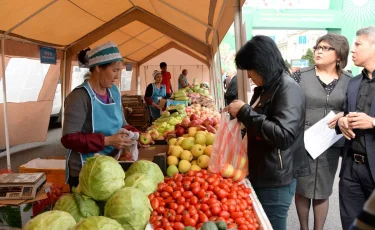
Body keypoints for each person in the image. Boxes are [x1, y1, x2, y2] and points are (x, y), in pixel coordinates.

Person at [225, 35, 310, 230]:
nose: (248, 75)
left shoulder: (288, 89)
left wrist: (245, 112)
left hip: (276, 178)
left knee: (271, 223)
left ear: (262, 64)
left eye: (250, 69)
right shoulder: (266, 88)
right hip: (263, 170)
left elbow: (283, 135)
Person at [292, 34, 351, 230]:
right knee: (302, 188)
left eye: (326, 48)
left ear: (339, 55)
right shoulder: (301, 75)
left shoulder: (350, 80)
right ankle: (303, 227)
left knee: (323, 190)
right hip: (304, 142)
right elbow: (289, 104)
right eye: (318, 47)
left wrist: (345, 113)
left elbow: (356, 107)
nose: (319, 51)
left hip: (331, 144)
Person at [61, 42, 137, 190]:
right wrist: (108, 140)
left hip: (111, 164)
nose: (117, 76)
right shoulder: (79, 97)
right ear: (98, 68)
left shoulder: (114, 91)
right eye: (114, 70)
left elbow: (122, 122)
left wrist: (137, 135)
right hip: (85, 171)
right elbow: (69, 139)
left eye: (119, 71)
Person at [336, 26, 375, 230]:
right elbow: (345, 113)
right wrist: (342, 121)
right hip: (351, 167)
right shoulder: (353, 82)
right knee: (351, 225)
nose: (353, 49)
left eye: (358, 44)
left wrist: (373, 122)